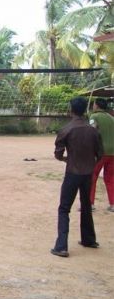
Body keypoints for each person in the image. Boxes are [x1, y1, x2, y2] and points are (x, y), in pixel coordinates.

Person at [51, 97, 103, 258]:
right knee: (86, 205)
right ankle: (89, 239)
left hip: (73, 172)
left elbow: (58, 154)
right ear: (84, 110)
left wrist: (68, 158)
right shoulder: (92, 130)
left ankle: (61, 246)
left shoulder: (66, 129)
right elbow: (100, 153)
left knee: (64, 208)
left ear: (71, 110)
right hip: (88, 173)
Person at [89, 98, 114, 212]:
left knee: (92, 177)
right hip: (113, 153)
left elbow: (91, 132)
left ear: (97, 106)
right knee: (110, 179)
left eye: (93, 104)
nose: (93, 106)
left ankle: (90, 203)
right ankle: (113, 204)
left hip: (100, 152)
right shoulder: (111, 118)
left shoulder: (94, 117)